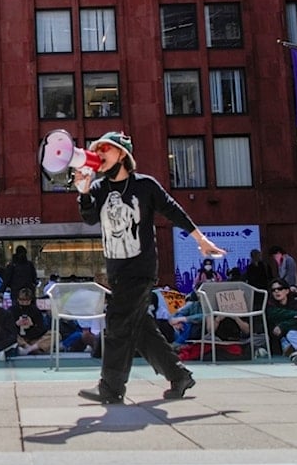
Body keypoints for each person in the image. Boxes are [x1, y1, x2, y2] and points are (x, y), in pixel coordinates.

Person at [72, 131, 225, 404]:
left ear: (122, 154)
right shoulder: (99, 188)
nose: (98, 153)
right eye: (96, 149)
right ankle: (179, 376)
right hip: (117, 270)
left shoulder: (145, 186)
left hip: (140, 267)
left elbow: (173, 210)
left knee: (118, 322)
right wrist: (83, 192)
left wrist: (200, 239)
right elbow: (90, 218)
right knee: (139, 328)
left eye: (105, 148)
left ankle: (111, 387)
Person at [10, 287, 51, 355]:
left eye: (27, 301)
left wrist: (32, 325)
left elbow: (41, 328)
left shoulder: (35, 310)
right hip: (19, 339)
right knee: (10, 335)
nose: (24, 303)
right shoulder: (12, 310)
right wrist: (16, 324)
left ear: (30, 300)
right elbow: (7, 329)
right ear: (18, 300)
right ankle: (31, 348)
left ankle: (31, 349)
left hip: (34, 339)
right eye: (22, 301)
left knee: (55, 334)